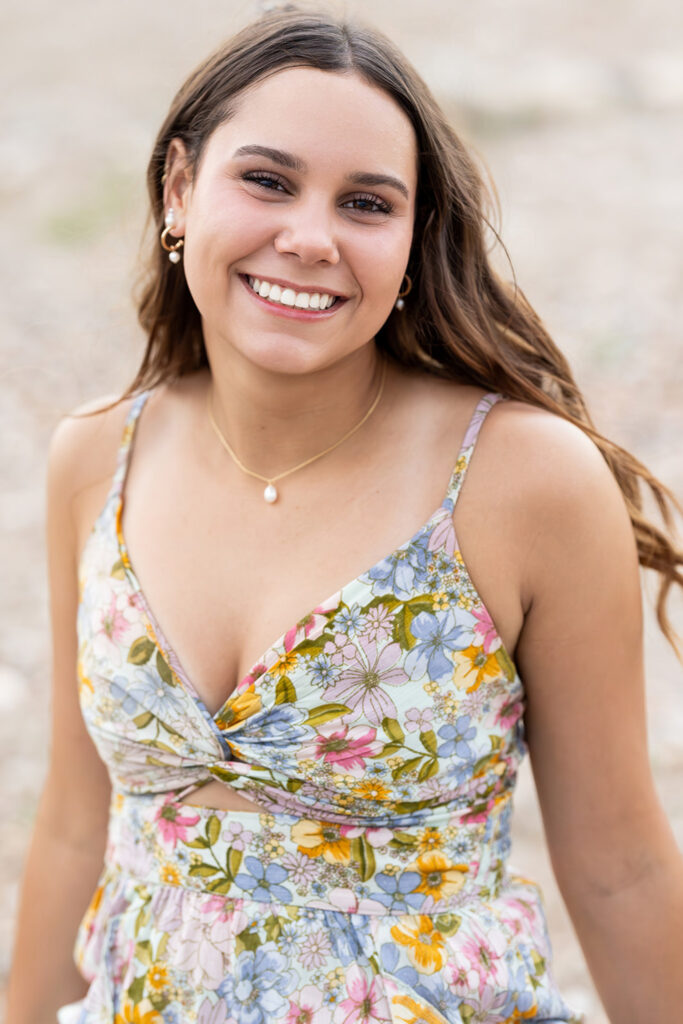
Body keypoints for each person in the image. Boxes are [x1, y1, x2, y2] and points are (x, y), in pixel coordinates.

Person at [7, 6, 683, 1023]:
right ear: (179, 187)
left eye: (365, 204)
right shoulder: (99, 455)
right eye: (267, 181)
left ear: (412, 239)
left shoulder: (522, 482)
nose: (309, 238)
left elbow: (619, 869)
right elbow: (72, 824)